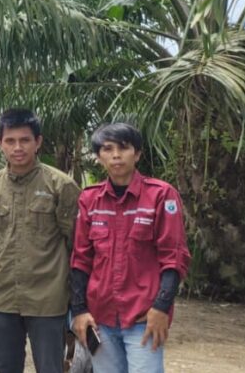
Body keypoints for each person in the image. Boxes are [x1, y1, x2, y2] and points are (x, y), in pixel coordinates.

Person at [70, 123, 191, 372]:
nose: (116, 155)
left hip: (143, 318)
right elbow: (81, 259)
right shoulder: (89, 199)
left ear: (137, 154)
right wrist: (80, 310)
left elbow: (174, 258)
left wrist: (161, 308)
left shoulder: (161, 195)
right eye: (108, 148)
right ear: (98, 156)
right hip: (100, 319)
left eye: (124, 148)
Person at [0, 109, 80, 373]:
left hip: (47, 300)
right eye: (10, 141)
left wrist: (73, 297)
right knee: (6, 367)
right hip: (3, 297)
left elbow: (77, 244)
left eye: (25, 140)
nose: (18, 147)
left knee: (50, 368)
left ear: (38, 142)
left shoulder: (61, 186)